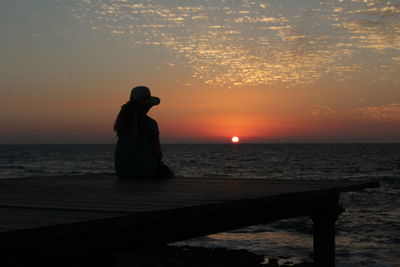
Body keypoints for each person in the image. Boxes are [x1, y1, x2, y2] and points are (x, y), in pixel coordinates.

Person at [113, 86, 174, 179]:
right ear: (148, 104)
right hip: (145, 172)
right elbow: (157, 155)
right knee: (169, 172)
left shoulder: (122, 122)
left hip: (122, 172)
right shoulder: (150, 123)